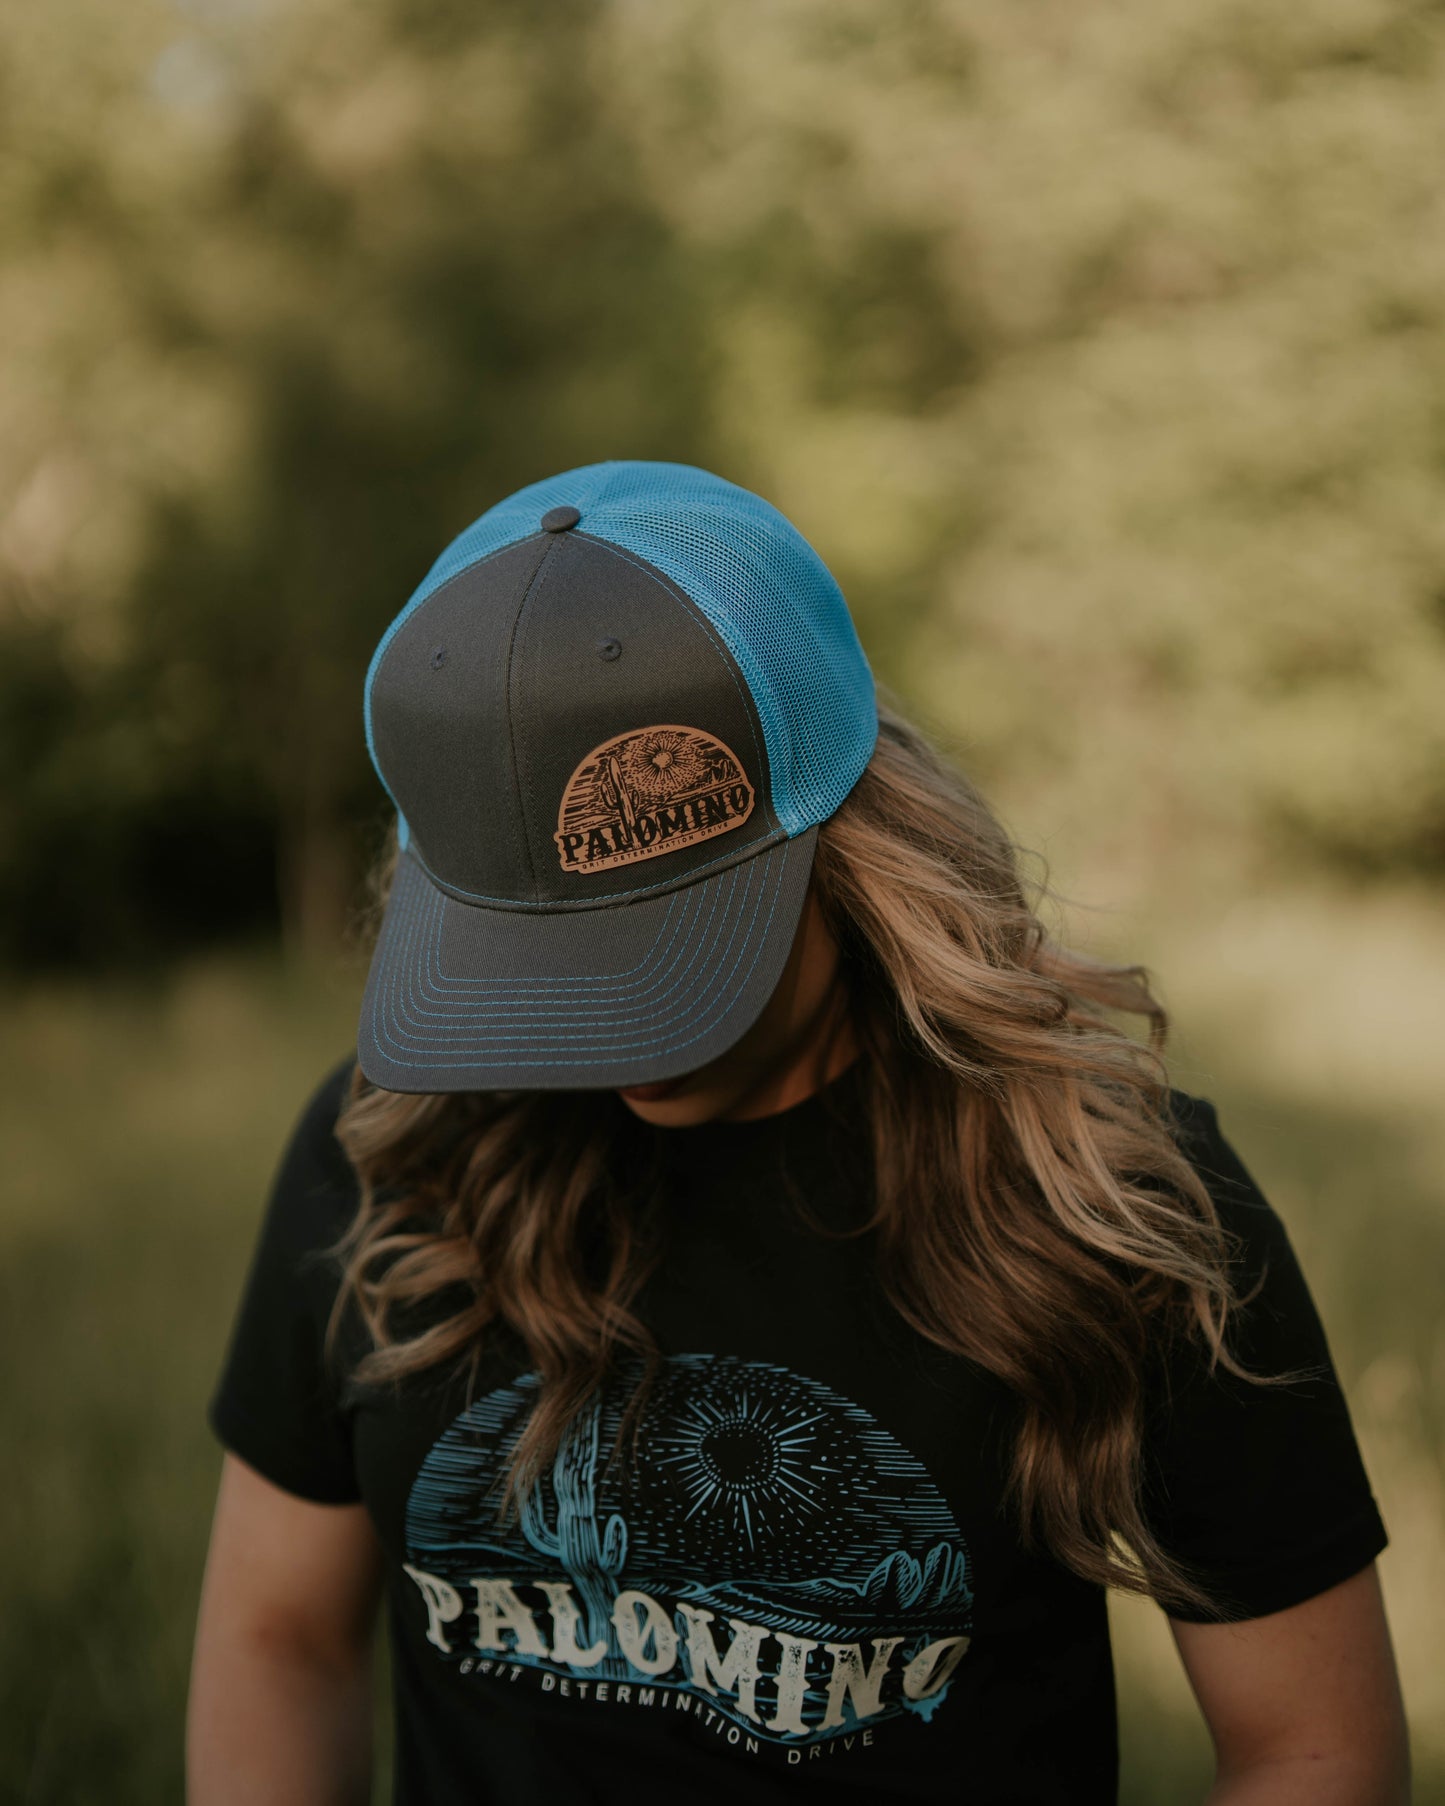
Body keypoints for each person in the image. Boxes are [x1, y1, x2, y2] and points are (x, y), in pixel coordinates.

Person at [187, 461, 1410, 1805]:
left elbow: (1314, 1747)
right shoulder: (391, 1149)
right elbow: (278, 1636)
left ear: (846, 834)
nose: (605, 1041)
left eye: (656, 949)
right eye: (537, 965)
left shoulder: (1102, 1194)